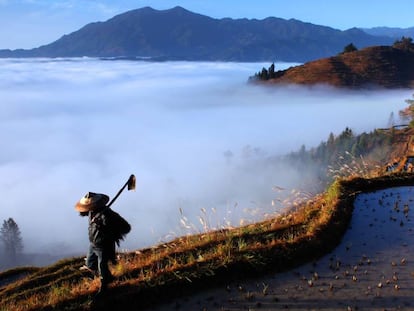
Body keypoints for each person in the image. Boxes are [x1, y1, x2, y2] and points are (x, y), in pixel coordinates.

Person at [75, 192, 118, 296]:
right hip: (93, 242)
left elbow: (115, 227)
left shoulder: (106, 213)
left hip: (103, 243)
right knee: (90, 263)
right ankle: (108, 277)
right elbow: (83, 213)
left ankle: (104, 287)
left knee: (102, 265)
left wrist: (101, 223)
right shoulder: (91, 211)